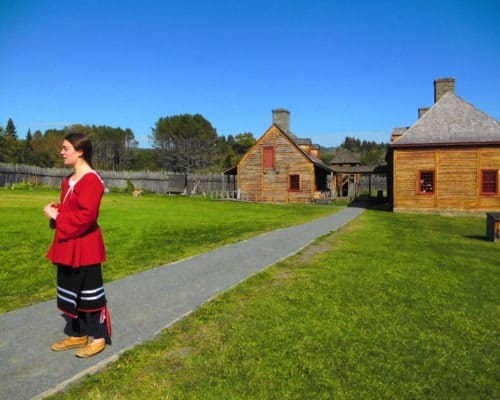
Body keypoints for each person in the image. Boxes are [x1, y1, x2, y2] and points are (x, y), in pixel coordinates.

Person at [43, 132, 111, 358]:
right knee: (70, 291)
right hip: (67, 245)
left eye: (66, 148)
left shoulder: (91, 180)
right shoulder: (68, 181)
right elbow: (74, 211)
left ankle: (99, 338)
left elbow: (86, 218)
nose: (61, 152)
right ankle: (77, 334)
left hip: (86, 247)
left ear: (80, 151)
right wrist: (59, 210)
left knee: (90, 294)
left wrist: (57, 217)